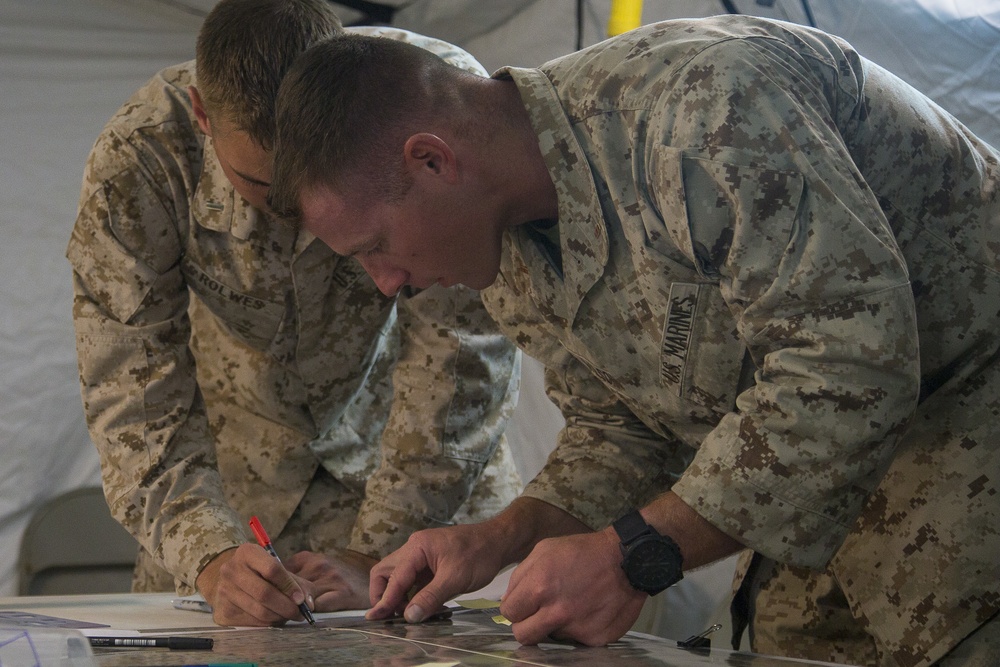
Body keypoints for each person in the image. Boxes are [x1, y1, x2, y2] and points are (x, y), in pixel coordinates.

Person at [267, 15, 1000, 667]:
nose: (386, 282)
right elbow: (622, 426)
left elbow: (848, 366)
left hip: (970, 442)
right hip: (823, 501)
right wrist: (497, 537)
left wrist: (631, 556)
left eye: (374, 246)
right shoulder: (506, 249)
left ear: (432, 160)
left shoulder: (706, 109)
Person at [67, 0, 523, 628]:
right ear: (203, 115)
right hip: (232, 495)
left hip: (427, 477)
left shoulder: (433, 101)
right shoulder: (143, 159)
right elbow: (131, 392)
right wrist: (209, 554)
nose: (295, 214)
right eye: (261, 185)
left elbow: (464, 348)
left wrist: (379, 551)